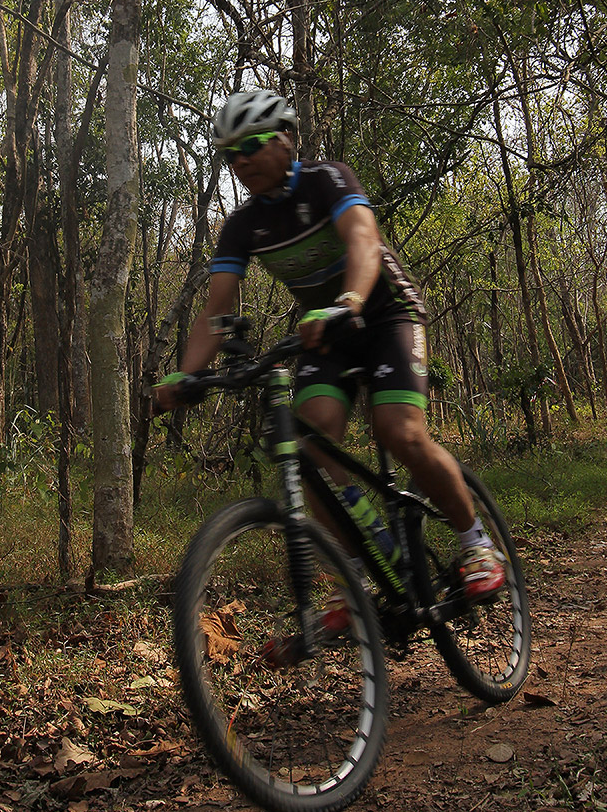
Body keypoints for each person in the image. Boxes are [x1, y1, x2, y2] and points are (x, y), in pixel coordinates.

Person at [153, 88, 504, 601]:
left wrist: (349, 300)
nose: (241, 161)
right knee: (310, 447)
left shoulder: (327, 180)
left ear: (286, 139)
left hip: (385, 313)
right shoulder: (242, 226)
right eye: (230, 154)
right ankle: (354, 574)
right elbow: (215, 311)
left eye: (251, 145)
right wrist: (186, 375)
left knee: (400, 432)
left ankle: (476, 544)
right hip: (325, 332)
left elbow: (363, 240)